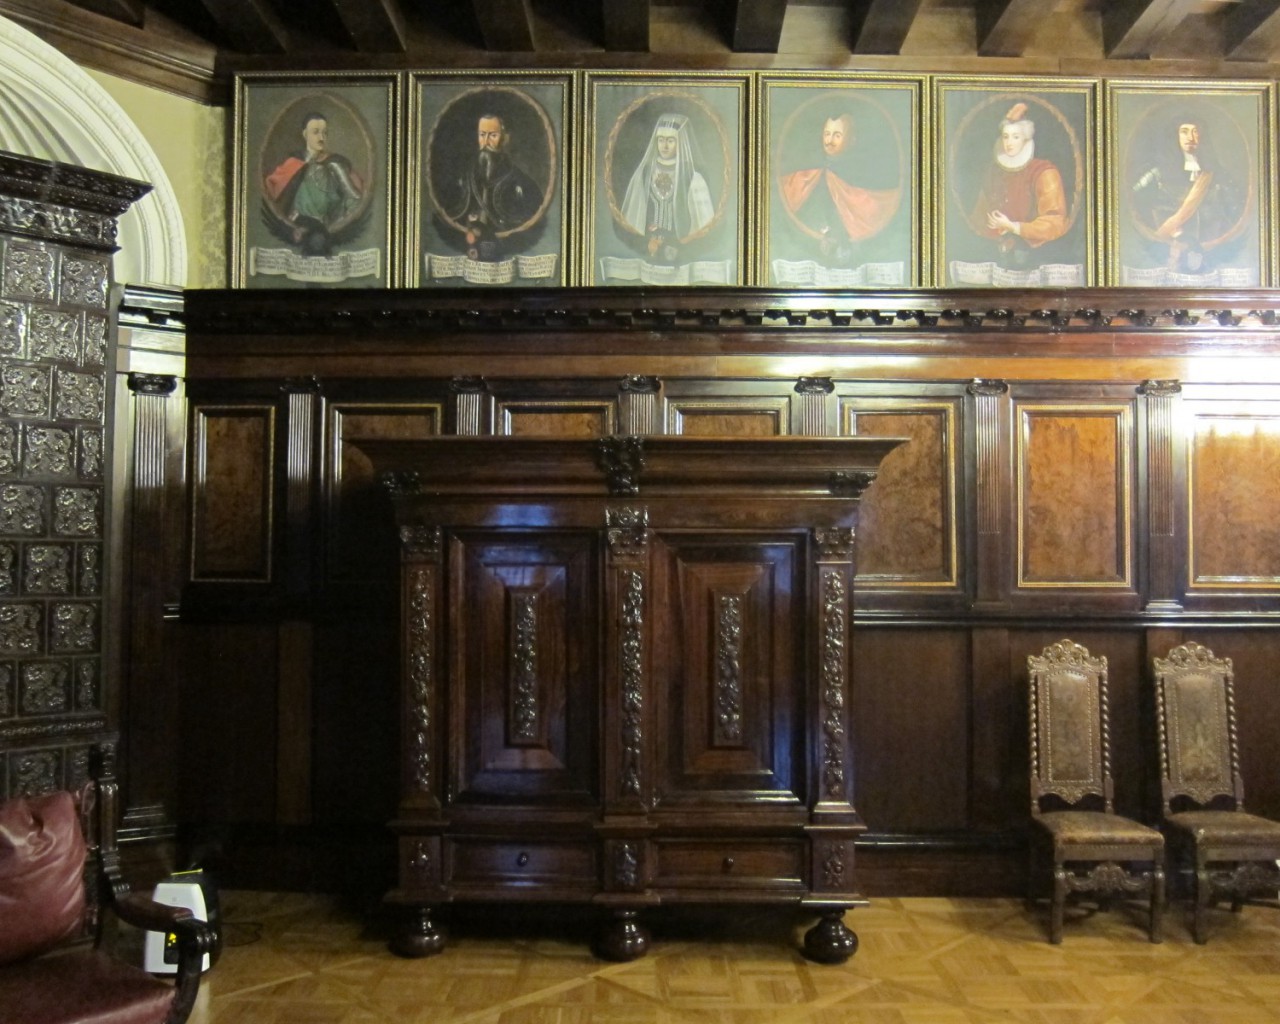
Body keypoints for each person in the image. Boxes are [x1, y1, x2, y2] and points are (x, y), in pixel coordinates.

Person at [777, 112, 900, 265]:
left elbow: (875, 212)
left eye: (837, 135)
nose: (829, 141)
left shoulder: (866, 176)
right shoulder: (809, 175)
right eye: (827, 134)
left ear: (851, 140)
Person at [1131, 119, 1243, 274]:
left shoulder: (1215, 172)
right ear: (1175, 136)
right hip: (1171, 244)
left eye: (1195, 131)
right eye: (1184, 131)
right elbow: (1137, 203)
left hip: (1208, 241)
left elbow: (1232, 208)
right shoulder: (1156, 174)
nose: (1190, 137)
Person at [969, 102, 1068, 270]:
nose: (1009, 143)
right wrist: (991, 226)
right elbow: (980, 216)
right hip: (996, 256)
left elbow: (1055, 223)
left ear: (1025, 140)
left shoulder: (1044, 172)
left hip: (1036, 257)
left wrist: (1014, 227)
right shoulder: (993, 172)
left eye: (1016, 137)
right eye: (1005, 136)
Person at [263, 111, 365, 257]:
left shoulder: (335, 164)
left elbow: (354, 198)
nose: (321, 137)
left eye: (324, 133)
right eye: (316, 132)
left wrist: (340, 220)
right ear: (305, 134)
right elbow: (271, 192)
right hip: (297, 224)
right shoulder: (293, 163)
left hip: (326, 227)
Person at [618, 113, 715, 262]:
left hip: (680, 251)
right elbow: (633, 219)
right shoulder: (644, 173)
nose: (664, 146)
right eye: (661, 140)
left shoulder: (692, 177)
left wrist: (681, 245)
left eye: (670, 140)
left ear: (680, 142)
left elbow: (703, 225)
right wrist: (645, 243)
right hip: (648, 249)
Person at [445, 113, 542, 262]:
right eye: (482, 135)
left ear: (505, 138)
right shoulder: (463, 178)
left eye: (493, 135)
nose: (486, 142)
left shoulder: (520, 182)